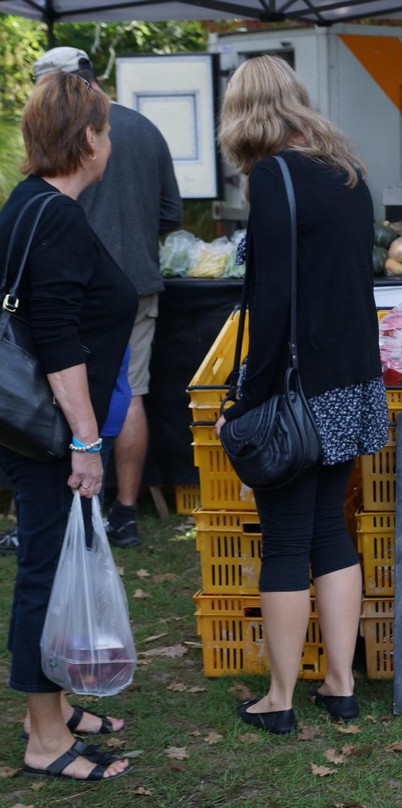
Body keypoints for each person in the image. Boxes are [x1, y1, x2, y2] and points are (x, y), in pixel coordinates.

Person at [215, 55, 388, 734]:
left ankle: (279, 698)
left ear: (243, 115)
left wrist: (246, 400)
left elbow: (272, 306)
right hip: (352, 378)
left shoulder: (273, 177)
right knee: (329, 531)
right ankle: (340, 686)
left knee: (286, 540)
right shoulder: (345, 171)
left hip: (296, 388)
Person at [0, 71, 135, 781]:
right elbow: (57, 340)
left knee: (46, 566)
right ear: (87, 138)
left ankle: (49, 710)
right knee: (45, 575)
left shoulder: (28, 201)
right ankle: (45, 741)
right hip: (50, 434)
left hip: (29, 428)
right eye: (105, 130)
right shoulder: (55, 217)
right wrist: (85, 439)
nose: (109, 142)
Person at [32, 46, 183, 550]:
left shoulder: (59, 133)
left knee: (63, 387)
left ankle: (73, 509)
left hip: (74, 284)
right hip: (134, 281)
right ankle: (125, 513)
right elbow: (171, 212)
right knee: (130, 391)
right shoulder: (143, 127)